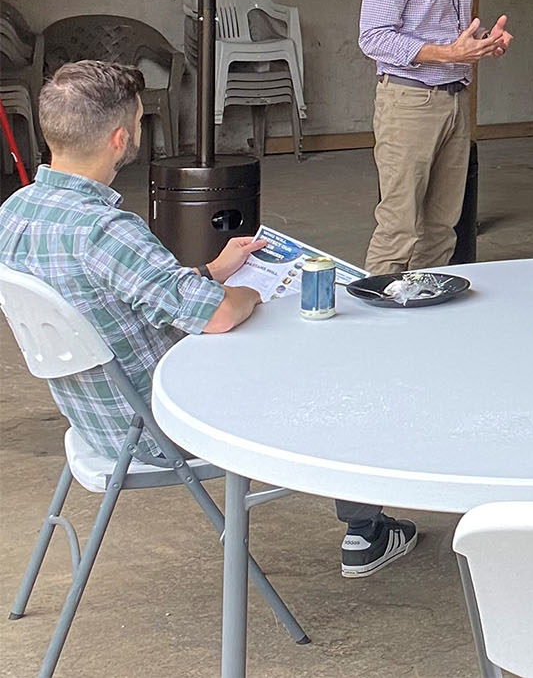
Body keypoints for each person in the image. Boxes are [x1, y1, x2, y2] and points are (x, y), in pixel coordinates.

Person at [0, 62, 418, 577]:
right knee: (346, 357)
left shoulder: (17, 210)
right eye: (136, 122)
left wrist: (212, 270)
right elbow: (220, 316)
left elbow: (120, 286)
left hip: (94, 421)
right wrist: (247, 292)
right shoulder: (105, 229)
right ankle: (367, 533)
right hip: (166, 425)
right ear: (119, 138)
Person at [358, 0, 513, 275]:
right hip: (409, 102)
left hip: (454, 100)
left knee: (443, 227)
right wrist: (449, 55)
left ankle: (424, 307)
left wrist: (481, 45)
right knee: (399, 227)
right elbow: (373, 38)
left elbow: (450, 34)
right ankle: (375, 320)